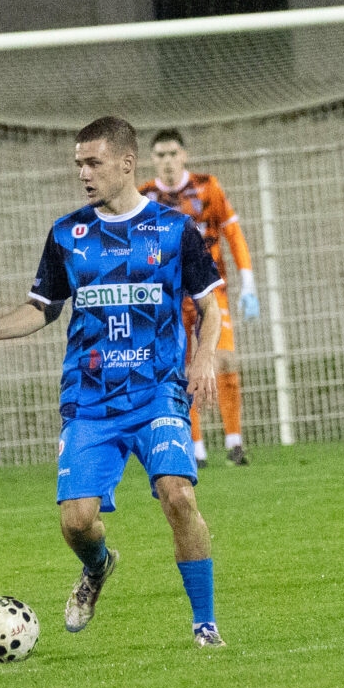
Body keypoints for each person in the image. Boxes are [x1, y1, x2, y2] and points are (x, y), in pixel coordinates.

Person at [0, 116, 227, 648]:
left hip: (158, 393)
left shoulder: (174, 230)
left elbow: (208, 306)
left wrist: (203, 359)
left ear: (127, 164)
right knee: (77, 522)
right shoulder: (68, 233)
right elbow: (41, 309)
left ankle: (204, 623)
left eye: (93, 162)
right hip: (90, 401)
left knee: (178, 496)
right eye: (79, 163)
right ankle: (98, 568)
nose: (83, 172)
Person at [141, 130, 260, 467]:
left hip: (211, 291)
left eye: (172, 153)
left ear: (184, 155)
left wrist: (248, 282)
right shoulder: (144, 197)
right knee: (182, 368)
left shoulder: (208, 186)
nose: (167, 161)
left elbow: (233, 233)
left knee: (224, 359)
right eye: (160, 155)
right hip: (171, 298)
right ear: (153, 160)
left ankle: (235, 442)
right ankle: (195, 448)